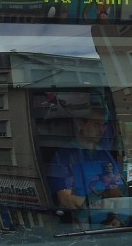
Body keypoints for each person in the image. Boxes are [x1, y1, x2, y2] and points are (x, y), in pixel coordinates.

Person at [49, 95, 125, 225]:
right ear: (81, 124)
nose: (101, 129)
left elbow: (115, 193)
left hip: (105, 223)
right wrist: (98, 204)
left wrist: (112, 215)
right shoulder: (64, 156)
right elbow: (66, 200)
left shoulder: (104, 155)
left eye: (104, 124)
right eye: (96, 124)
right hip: (79, 227)